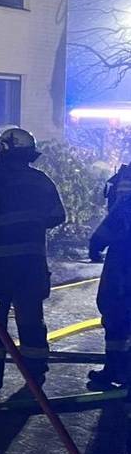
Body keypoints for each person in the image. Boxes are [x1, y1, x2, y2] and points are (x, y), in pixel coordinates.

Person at [0, 127, 66, 393]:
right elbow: (57, 216)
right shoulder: (42, 182)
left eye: (1, 148)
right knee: (31, 320)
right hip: (31, 265)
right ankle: (35, 375)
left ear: (7, 152)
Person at [87, 164, 131, 389]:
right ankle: (118, 370)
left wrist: (96, 243)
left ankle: (117, 370)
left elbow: (121, 213)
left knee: (116, 311)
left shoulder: (127, 179)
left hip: (124, 259)